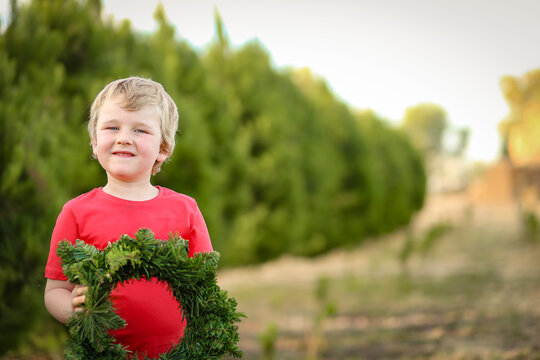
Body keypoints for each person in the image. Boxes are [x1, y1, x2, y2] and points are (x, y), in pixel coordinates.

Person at [44, 76, 213, 358]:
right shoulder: (76, 212)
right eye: (112, 127)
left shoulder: (186, 209)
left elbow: (205, 288)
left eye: (140, 130)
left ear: (163, 148)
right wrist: (75, 311)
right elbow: (55, 291)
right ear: (95, 141)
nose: (123, 137)